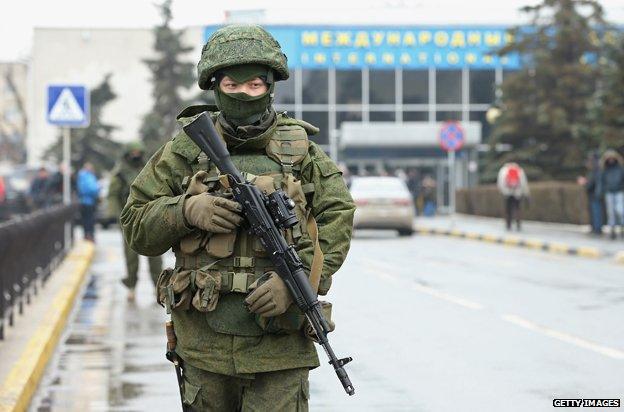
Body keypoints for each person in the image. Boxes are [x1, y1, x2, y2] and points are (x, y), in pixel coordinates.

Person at [120, 24, 355, 410]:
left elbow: (337, 218)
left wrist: (298, 282)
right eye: (232, 85)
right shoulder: (184, 151)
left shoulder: (301, 152)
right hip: (203, 348)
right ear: (215, 86)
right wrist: (186, 211)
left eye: (254, 86)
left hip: (279, 349)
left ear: (269, 86)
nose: (243, 94)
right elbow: (135, 224)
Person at [108, 142, 163, 302]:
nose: (136, 155)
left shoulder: (149, 168)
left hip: (149, 218)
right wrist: (117, 216)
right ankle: (131, 286)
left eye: (138, 152)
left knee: (155, 255)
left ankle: (158, 288)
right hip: (129, 220)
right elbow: (113, 195)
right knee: (131, 257)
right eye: (133, 152)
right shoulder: (120, 174)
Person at [598, 149, 624, 240]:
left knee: (620, 210)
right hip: (609, 192)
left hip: (618, 191)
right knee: (611, 212)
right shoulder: (604, 169)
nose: (611, 160)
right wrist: (601, 191)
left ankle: (622, 226)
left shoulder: (620, 168)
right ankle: (612, 230)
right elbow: (601, 181)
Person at [497, 162, 530, 231]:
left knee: (508, 209)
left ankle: (508, 224)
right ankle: (518, 224)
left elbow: (500, 182)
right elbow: (524, 183)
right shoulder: (519, 170)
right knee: (517, 208)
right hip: (517, 193)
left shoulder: (503, 170)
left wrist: (502, 191)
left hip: (507, 192)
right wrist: (526, 193)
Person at [577, 153, 604, 235]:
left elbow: (591, 184)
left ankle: (596, 229)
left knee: (596, 212)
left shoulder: (595, 170)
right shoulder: (596, 169)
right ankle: (595, 228)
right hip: (595, 194)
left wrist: (584, 182)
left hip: (595, 194)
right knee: (595, 212)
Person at [76, 162, 100, 241]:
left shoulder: (86, 176)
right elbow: (89, 188)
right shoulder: (85, 176)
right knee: (88, 219)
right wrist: (95, 191)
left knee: (90, 219)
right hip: (87, 201)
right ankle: (88, 235)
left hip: (89, 201)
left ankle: (89, 234)